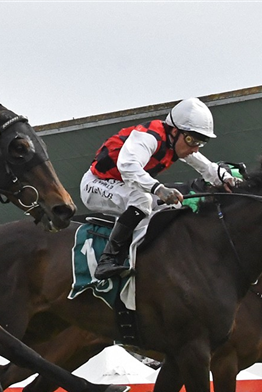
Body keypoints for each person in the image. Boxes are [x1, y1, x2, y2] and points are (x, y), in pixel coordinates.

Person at [80, 97, 237, 280]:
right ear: (174, 131)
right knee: (143, 200)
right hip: (95, 184)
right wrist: (159, 189)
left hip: (123, 185)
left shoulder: (176, 143)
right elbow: (128, 165)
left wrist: (227, 179)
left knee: (172, 208)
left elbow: (206, 167)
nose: (194, 149)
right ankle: (107, 260)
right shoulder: (149, 137)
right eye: (191, 140)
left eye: (200, 143)